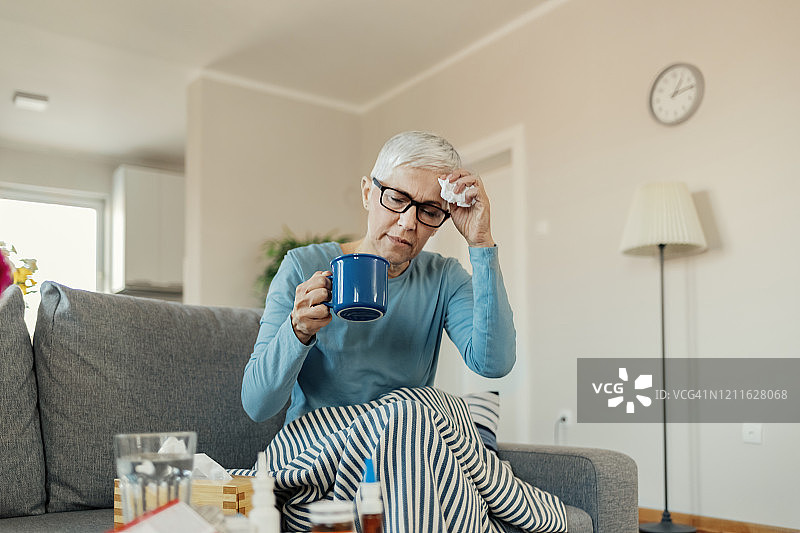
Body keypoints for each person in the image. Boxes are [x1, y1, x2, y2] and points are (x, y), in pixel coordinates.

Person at [241, 130, 516, 425]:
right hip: (321, 446)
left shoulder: (444, 278)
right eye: (397, 199)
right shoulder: (301, 265)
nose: (409, 222)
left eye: (430, 211)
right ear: (367, 194)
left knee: (437, 414)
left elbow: (494, 364)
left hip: (403, 448)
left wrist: (481, 241)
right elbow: (257, 405)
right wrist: (297, 330)